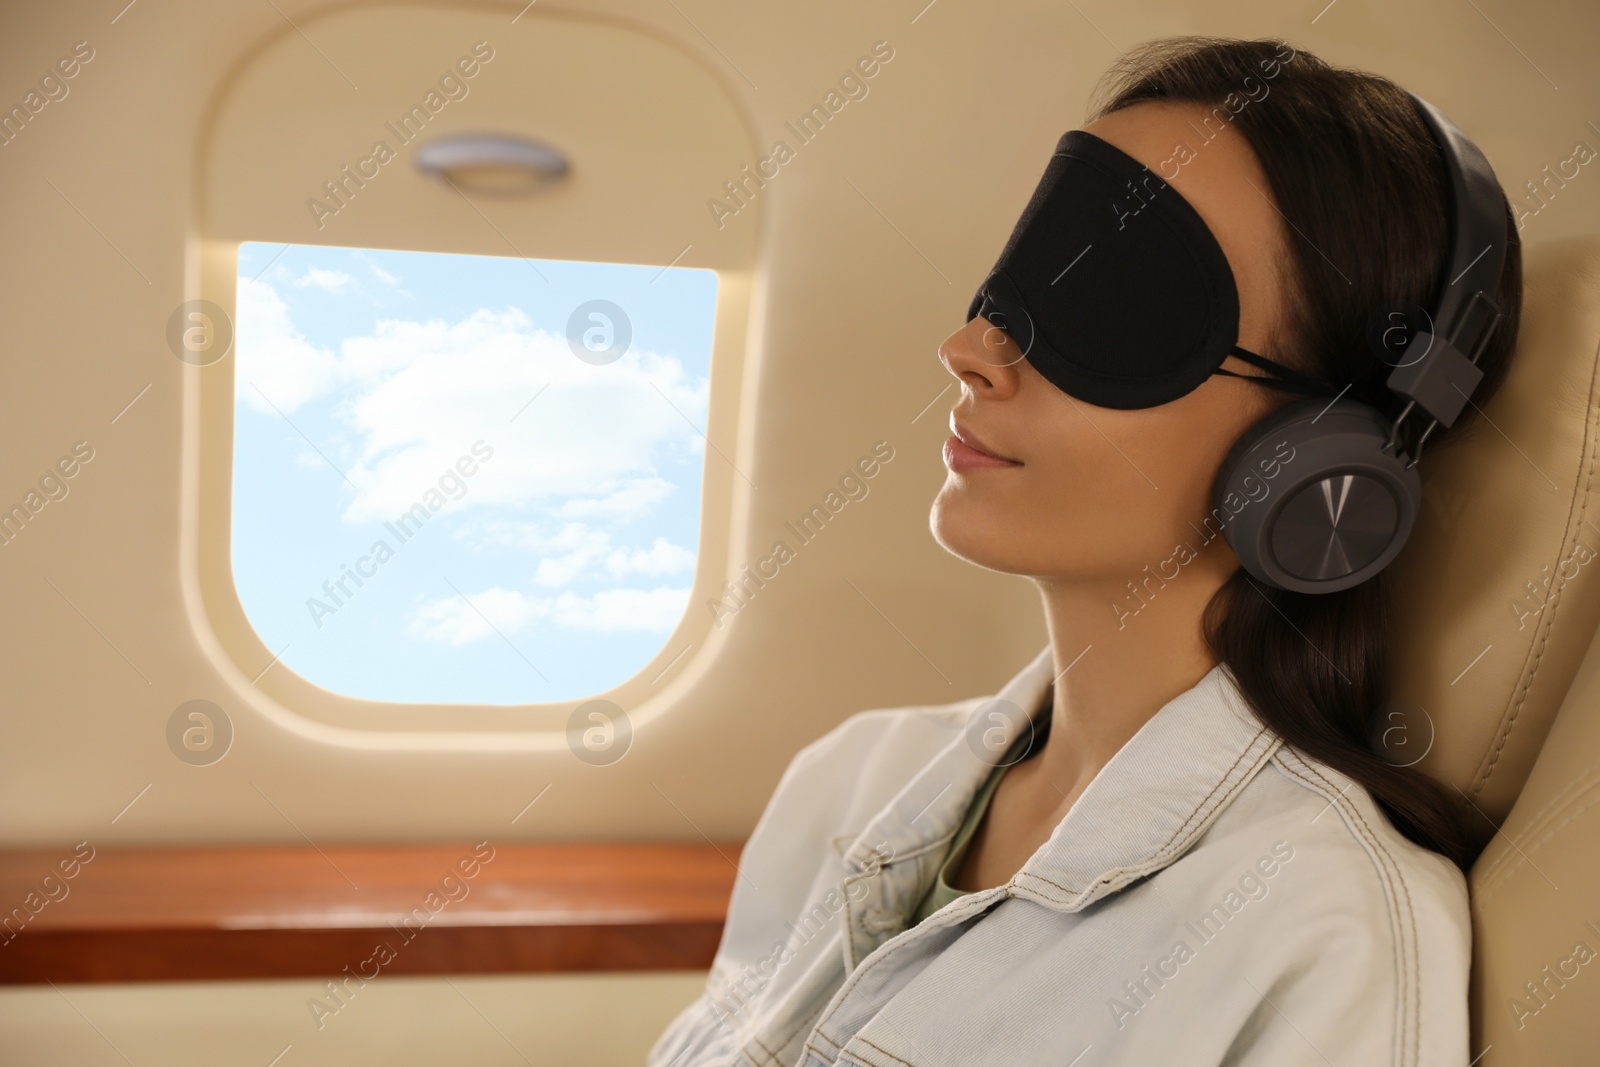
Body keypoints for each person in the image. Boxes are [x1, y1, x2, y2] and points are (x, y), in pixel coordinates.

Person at [648, 34, 1523, 1067]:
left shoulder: (1319, 928)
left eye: (1109, 305)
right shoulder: (845, 780)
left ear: (1316, 461)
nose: (969, 349)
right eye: (1024, 270)